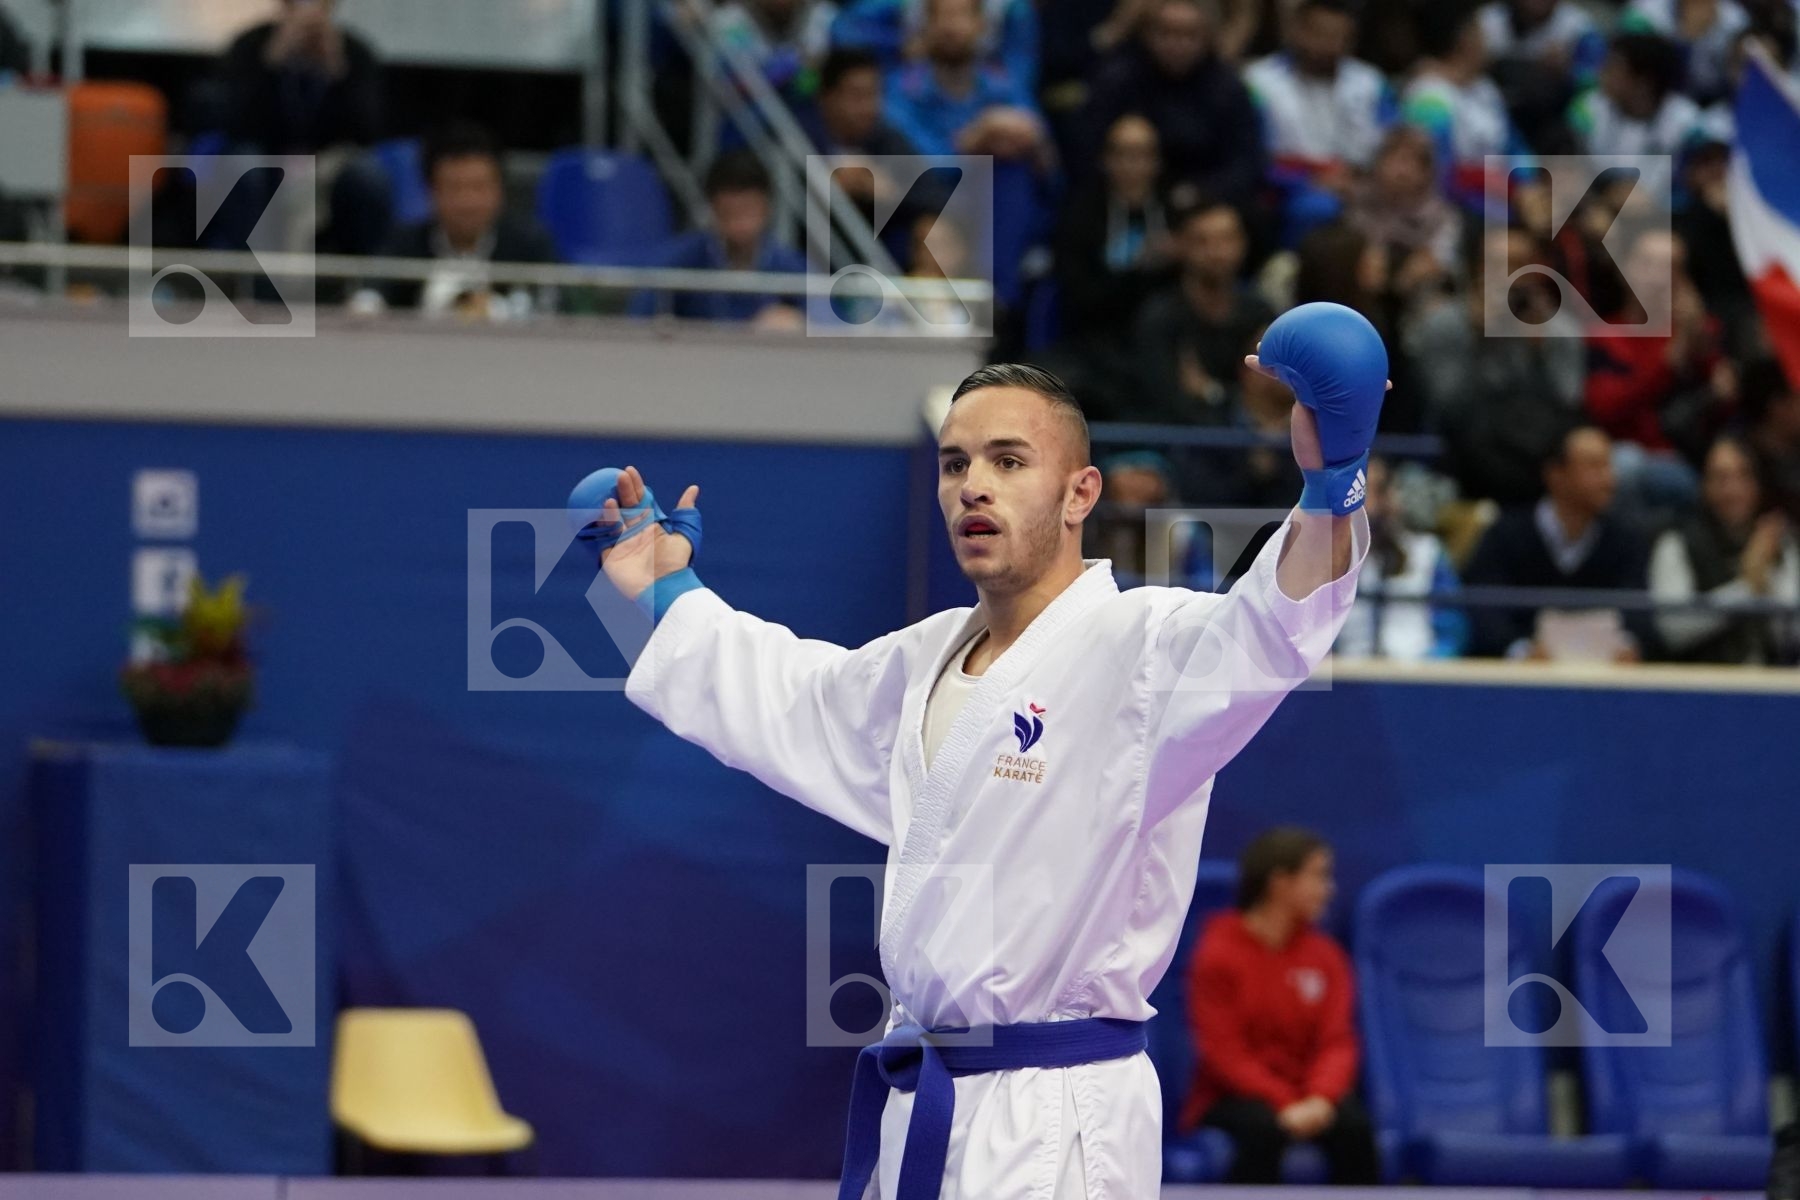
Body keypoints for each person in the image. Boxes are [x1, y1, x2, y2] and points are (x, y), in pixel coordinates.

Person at [586, 305, 1388, 1197]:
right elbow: (787, 697)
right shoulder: (923, 658)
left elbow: (1271, 630)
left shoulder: (1144, 647)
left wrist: (1333, 486)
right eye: (956, 464)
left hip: (1057, 1123)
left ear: (1081, 493)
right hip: (924, 1099)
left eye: (1008, 462)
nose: (974, 485)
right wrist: (669, 594)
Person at [1181, 828, 1380, 1184]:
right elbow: (1223, 1051)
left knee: (1355, 1128)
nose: (1329, 889)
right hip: (1232, 1098)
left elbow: (1337, 1040)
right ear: (1280, 882)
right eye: (1318, 876)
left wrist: (1320, 1098)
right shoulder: (1218, 952)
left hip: (1310, 1096)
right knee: (1262, 1131)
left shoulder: (1327, 956)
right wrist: (1284, 1102)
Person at [1462, 424, 1655, 659]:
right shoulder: (1505, 535)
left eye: (1609, 465)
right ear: (1556, 474)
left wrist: (1628, 646)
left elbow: (1639, 615)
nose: (1609, 479)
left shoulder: (1627, 540)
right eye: (1594, 466)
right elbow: (1484, 608)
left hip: (1604, 678)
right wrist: (1519, 651)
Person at [1049, 113, 1179, 415]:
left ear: (1156, 162)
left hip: (1159, 344)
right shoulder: (1080, 215)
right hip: (1093, 342)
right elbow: (1078, 295)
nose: (1133, 166)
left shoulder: (1175, 215)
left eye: (1143, 155)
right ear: (1106, 160)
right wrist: (1139, 268)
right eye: (1123, 154)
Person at [1079, 0, 1266, 208]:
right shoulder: (1117, 79)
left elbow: (1246, 163)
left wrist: (1202, 194)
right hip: (1122, 198)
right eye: (1166, 33)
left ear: (1207, 37)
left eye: (1189, 35)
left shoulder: (1227, 87)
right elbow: (1088, 150)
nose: (1177, 44)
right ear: (1147, 34)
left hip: (1204, 201)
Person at [364, 124, 557, 317]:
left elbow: (556, 307)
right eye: (454, 188)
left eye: (478, 187)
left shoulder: (531, 245)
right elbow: (370, 299)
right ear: (431, 191)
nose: (467, 203)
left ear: (500, 190)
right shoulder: (403, 245)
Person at [1245, 0, 1396, 240]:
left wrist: (1365, 183)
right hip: (1290, 189)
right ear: (1297, 31)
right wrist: (1308, 181)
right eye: (1319, 34)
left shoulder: (1371, 83)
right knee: (1318, 208)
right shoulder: (1260, 82)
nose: (1328, 46)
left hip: (1364, 184)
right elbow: (1252, 155)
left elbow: (1393, 146)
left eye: (1339, 38)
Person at [1650, 436, 1800, 663]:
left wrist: (1769, 581)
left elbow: (1793, 632)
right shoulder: (1676, 542)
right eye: (1721, 478)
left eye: (1743, 476)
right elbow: (1673, 629)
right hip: (1704, 684)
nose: (1732, 489)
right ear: (1704, 484)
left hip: (1769, 682)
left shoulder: (1776, 542)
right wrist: (1748, 587)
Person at [1132, 198, 1275, 425]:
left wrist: (1211, 392)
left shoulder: (1259, 313)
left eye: (1227, 239)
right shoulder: (1161, 316)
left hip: (1247, 440)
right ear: (1182, 247)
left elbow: (1271, 399)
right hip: (1176, 440)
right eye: (1202, 241)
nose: (1217, 252)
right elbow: (1164, 398)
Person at [631, 151, 807, 323]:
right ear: (713, 210)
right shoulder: (679, 261)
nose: (740, 225)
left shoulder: (791, 267)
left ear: (767, 209)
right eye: (729, 214)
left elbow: (824, 326)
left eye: (748, 212)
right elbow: (639, 319)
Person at [883, 0, 1049, 165]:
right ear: (925, 26)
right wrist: (972, 141)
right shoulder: (902, 89)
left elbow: (1039, 139)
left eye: (962, 15)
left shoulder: (1002, 83)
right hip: (939, 189)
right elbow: (909, 164)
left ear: (981, 25)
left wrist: (1028, 140)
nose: (951, 27)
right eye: (942, 16)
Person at [1336, 458, 1468, 658]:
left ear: (1393, 496)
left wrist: (1432, 665)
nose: (1370, 504)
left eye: (1377, 490)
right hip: (1347, 671)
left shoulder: (1428, 552)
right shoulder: (1332, 557)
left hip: (1415, 673)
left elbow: (1452, 629)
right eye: (1359, 491)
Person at [1401, 5, 1525, 210]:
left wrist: (1528, 184)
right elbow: (1443, 176)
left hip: (1504, 195)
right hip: (1459, 205)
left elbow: (1514, 146)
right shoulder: (1429, 98)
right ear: (1465, 38)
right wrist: (1511, 193)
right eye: (1481, 29)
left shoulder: (1485, 87)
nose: (1489, 37)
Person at [221, 0, 382, 154]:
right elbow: (233, 124)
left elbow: (367, 132)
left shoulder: (355, 53)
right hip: (266, 152)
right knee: (245, 160)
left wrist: (338, 71)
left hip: (330, 157)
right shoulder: (250, 47)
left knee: (361, 170)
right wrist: (271, 63)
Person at [1569, 34, 1709, 200]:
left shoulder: (1688, 124)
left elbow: (1687, 190)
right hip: (1597, 202)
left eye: (1613, 69)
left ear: (1644, 82)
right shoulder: (1587, 108)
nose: (1602, 74)